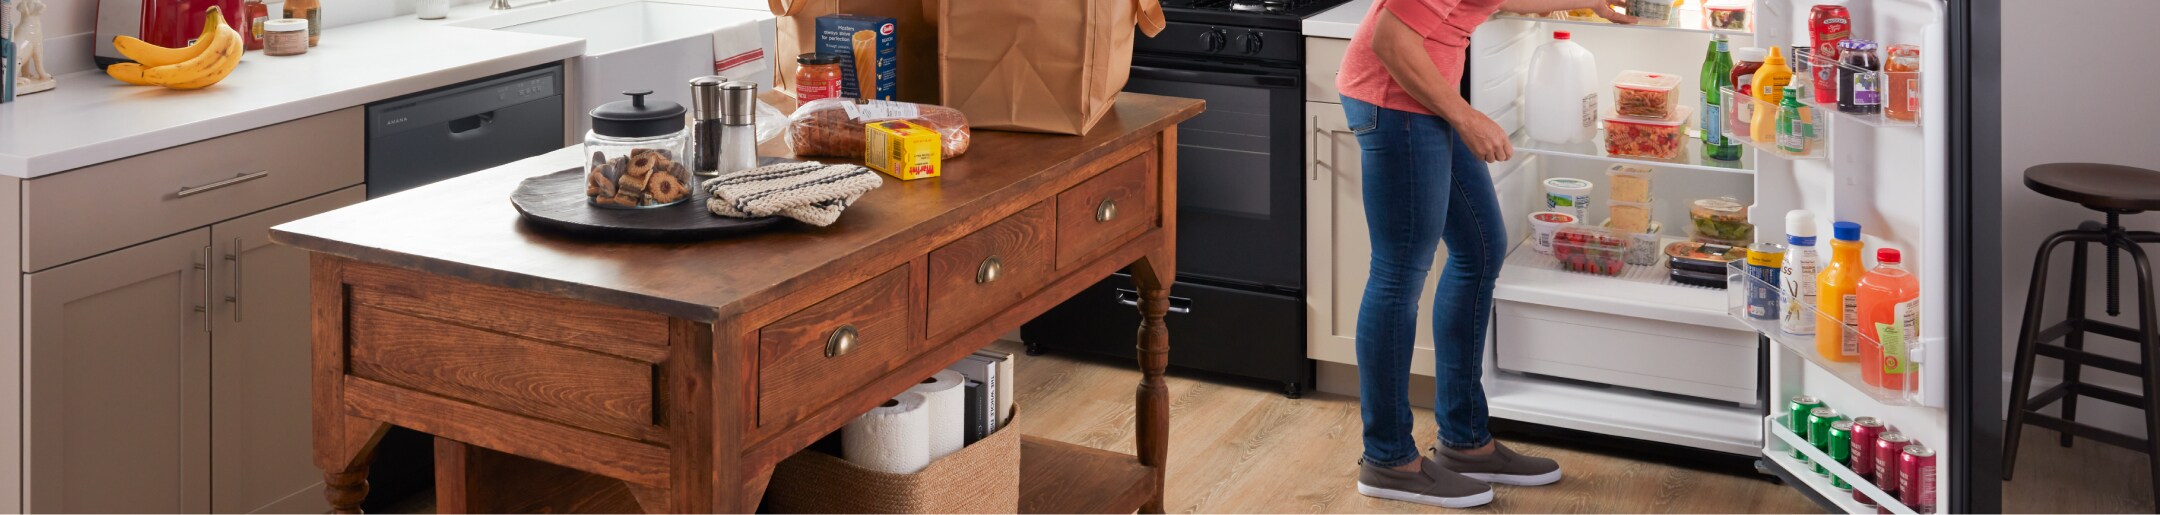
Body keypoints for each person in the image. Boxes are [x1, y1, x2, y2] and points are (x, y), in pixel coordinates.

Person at [1338, 0, 1634, 508]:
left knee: (1480, 249)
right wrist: (1466, 116)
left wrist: (1584, 1)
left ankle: (1465, 440)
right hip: (1395, 103)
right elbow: (1391, 40)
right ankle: (1387, 458)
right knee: (1399, 273)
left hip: (1426, 99)